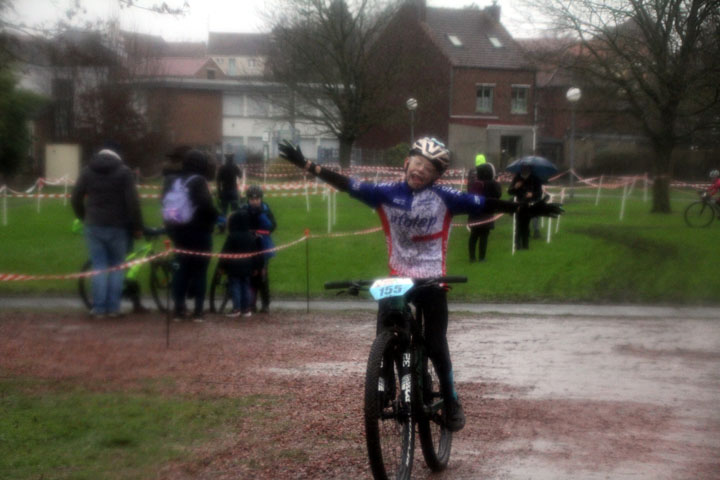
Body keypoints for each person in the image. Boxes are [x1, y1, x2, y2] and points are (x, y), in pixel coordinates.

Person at [278, 136, 562, 432]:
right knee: (385, 323)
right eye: (417, 163)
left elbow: (488, 203)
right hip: (398, 276)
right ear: (407, 163)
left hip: (432, 278)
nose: (420, 170)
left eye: (428, 168)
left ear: (436, 176)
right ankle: (385, 379)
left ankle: (451, 399)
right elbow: (347, 184)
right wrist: (307, 165)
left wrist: (527, 209)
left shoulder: (445, 197)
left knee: (436, 342)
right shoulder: (383, 193)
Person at [71, 148, 143, 318]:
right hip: (118, 225)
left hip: (94, 224)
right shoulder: (124, 173)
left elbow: (75, 198)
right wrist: (137, 226)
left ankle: (98, 308)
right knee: (117, 268)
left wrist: (84, 216)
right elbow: (132, 201)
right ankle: (113, 308)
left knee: (99, 267)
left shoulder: (87, 172)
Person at [163, 149, 218, 322]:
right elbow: (205, 205)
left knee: (181, 271)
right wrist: (216, 219)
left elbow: (165, 204)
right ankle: (198, 311)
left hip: (179, 233)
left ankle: (179, 309)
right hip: (199, 233)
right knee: (200, 272)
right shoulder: (198, 181)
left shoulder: (171, 180)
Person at [219, 209, 262, 317]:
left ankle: (236, 308)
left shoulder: (232, 236)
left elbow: (225, 252)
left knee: (235, 287)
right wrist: (256, 268)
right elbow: (255, 254)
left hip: (234, 267)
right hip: (248, 266)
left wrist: (222, 266)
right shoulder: (250, 236)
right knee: (246, 286)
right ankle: (246, 309)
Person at [242, 185, 276, 314]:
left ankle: (265, 303)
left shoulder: (265, 210)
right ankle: (251, 302)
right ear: (248, 199)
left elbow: (272, 226)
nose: (255, 201)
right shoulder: (244, 210)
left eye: (257, 199)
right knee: (251, 275)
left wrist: (262, 216)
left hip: (263, 246)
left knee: (263, 275)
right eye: (252, 199)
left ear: (261, 199)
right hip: (249, 246)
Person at [467, 162, 502, 262]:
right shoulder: (492, 183)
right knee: (484, 236)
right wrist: (497, 183)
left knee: (474, 235)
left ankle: (472, 257)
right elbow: (498, 195)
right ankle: (482, 257)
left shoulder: (475, 183)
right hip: (487, 212)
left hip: (475, 212)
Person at [507, 164, 544, 250]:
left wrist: (532, 194)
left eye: (526, 169)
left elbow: (539, 193)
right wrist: (515, 187)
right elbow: (510, 192)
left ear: (530, 170)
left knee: (526, 226)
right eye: (522, 169)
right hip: (519, 204)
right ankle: (517, 245)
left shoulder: (535, 179)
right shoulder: (517, 178)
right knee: (518, 225)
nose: (524, 171)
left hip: (530, 205)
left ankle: (525, 245)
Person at [216, 153, 242, 231]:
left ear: (225, 159)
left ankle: (222, 227)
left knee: (224, 210)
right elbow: (240, 175)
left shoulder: (222, 168)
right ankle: (235, 226)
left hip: (224, 191)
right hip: (233, 191)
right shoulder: (235, 167)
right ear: (232, 159)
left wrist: (219, 191)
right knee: (234, 210)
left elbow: (218, 180)